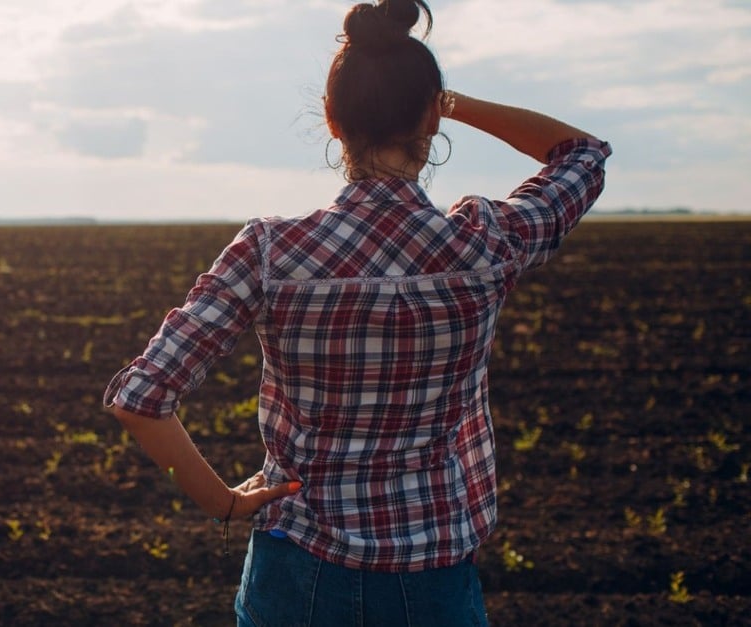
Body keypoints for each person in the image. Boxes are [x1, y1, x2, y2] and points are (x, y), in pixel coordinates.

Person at [103, 0, 610, 624]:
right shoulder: (485, 243)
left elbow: (142, 398)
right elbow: (581, 154)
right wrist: (447, 102)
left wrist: (222, 503)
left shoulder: (271, 251)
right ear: (430, 117)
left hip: (295, 574)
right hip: (433, 578)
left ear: (331, 119)